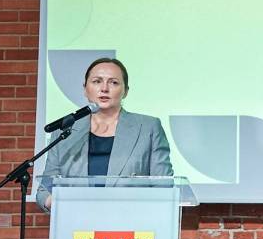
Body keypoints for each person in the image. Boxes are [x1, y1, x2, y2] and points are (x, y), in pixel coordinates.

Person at [35, 57, 173, 212]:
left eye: (113, 82)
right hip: (77, 219)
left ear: (126, 91)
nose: (104, 88)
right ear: (85, 89)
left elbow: (164, 187)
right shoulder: (65, 131)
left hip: (130, 220)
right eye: (97, 81)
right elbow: (45, 189)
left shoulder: (148, 128)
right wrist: (52, 201)